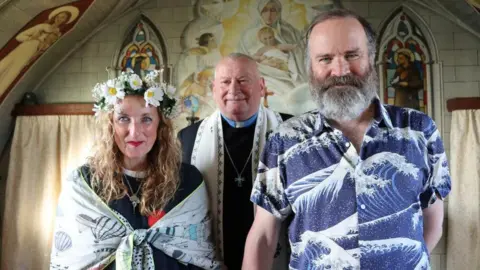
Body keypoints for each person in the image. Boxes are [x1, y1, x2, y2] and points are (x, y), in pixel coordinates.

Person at [244, 9, 451, 270]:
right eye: (325, 58)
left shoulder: (420, 129)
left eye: (351, 55)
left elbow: (433, 222)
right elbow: (263, 236)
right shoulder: (285, 140)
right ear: (311, 67)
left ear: (371, 59)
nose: (339, 70)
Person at [50, 70, 221, 269]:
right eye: (123, 118)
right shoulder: (85, 182)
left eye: (146, 119)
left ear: (160, 126)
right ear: (110, 124)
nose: (135, 131)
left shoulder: (188, 182)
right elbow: (72, 259)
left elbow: (200, 258)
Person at [178, 53, 291, 270]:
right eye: (225, 82)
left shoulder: (291, 129)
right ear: (213, 89)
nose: (233, 90)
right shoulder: (189, 138)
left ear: (261, 86)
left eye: (242, 80)